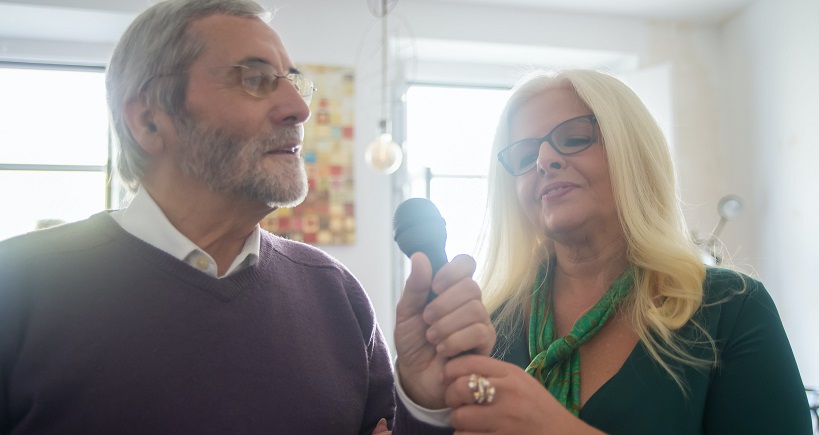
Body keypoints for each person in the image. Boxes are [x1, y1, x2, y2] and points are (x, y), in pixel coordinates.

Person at [399, 69, 813, 434]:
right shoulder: (486, 324)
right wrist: (424, 398)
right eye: (525, 156)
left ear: (633, 153)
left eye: (574, 138)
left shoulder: (729, 308)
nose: (543, 160)